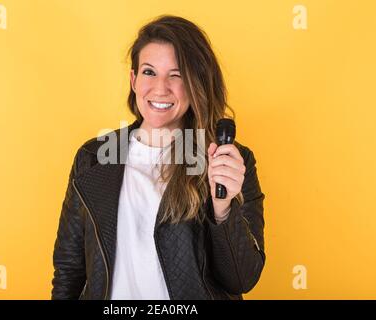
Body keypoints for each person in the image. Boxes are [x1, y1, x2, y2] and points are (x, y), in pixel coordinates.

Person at [51, 15, 265, 300]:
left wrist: (223, 208)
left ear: (195, 83)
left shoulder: (229, 161)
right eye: (149, 72)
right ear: (134, 80)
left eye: (176, 75)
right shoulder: (93, 157)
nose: (160, 88)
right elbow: (69, 269)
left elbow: (242, 279)